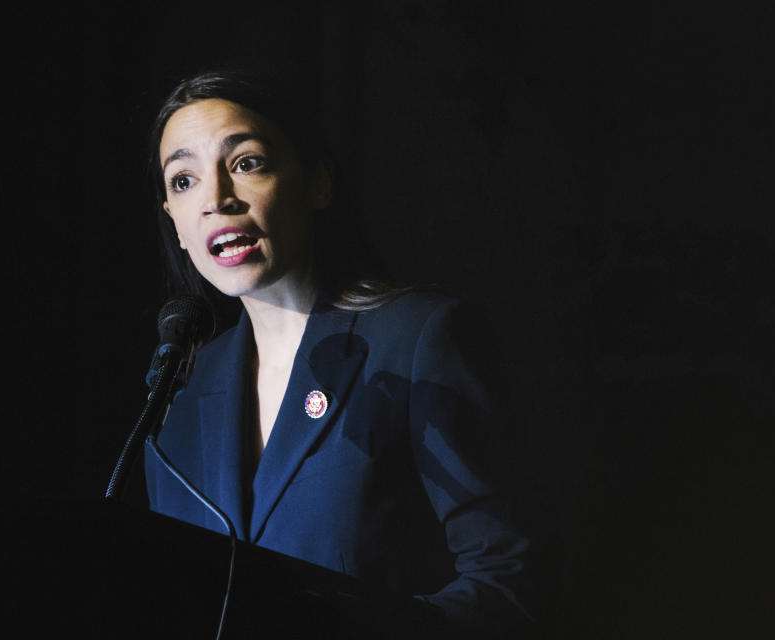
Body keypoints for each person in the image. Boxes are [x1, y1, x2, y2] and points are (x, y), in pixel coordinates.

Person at [141, 70, 536, 635]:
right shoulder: (176, 395)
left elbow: (511, 573)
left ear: (317, 184)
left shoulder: (417, 338)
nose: (216, 199)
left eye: (246, 162)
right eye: (184, 180)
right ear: (175, 225)